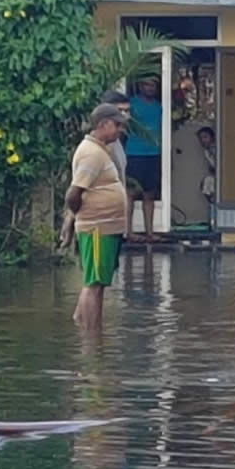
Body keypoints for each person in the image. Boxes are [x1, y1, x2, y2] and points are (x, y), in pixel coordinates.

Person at [62, 104, 130, 333]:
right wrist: (79, 218)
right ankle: (92, 338)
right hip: (97, 228)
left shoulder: (100, 150)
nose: (120, 130)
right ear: (103, 124)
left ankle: (86, 328)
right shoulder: (91, 154)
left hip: (104, 227)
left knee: (97, 282)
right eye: (117, 125)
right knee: (94, 283)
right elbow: (73, 194)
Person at [125, 78, 163, 242]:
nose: (150, 88)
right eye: (146, 84)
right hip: (134, 153)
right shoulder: (131, 105)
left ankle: (149, 233)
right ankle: (128, 231)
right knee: (130, 193)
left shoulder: (159, 106)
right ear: (140, 86)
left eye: (153, 85)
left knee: (150, 194)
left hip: (153, 154)